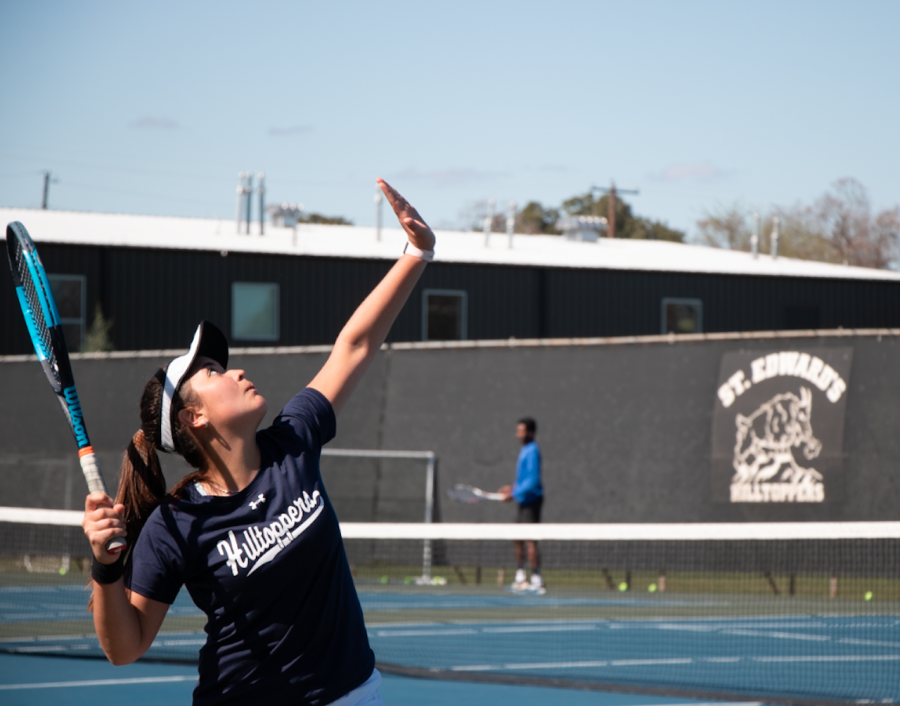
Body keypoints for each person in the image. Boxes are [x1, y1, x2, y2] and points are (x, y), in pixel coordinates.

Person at [81, 178, 435, 706]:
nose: (236, 371)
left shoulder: (295, 438)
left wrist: (417, 253)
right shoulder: (173, 526)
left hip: (355, 693)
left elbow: (354, 346)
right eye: (214, 373)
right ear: (194, 417)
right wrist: (106, 569)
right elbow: (125, 648)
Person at [498, 417, 543, 592]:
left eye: (521, 431)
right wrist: (513, 488)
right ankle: (521, 575)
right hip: (523, 500)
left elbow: (533, 481)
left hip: (532, 500)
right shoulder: (525, 450)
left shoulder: (532, 451)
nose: (517, 434)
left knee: (530, 540)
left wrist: (514, 493)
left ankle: (536, 578)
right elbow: (524, 480)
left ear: (530, 433)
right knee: (517, 537)